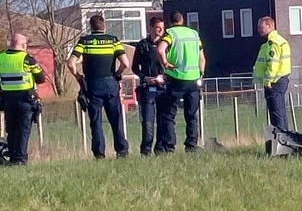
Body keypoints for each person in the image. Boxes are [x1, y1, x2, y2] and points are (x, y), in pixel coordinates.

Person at [67, 15, 130, 159]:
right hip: (110, 83)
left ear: (91, 27)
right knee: (116, 118)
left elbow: (71, 62)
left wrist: (78, 76)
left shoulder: (85, 41)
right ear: (104, 26)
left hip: (93, 84)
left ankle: (99, 153)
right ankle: (121, 151)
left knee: (95, 120)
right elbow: (125, 63)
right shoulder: (113, 40)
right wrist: (117, 75)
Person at [155, 10, 206, 153]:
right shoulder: (194, 34)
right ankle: (191, 145)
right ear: (182, 20)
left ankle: (169, 146)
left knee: (168, 113)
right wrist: (200, 75)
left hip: (176, 78)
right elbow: (202, 59)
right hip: (193, 79)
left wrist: (165, 63)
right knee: (191, 115)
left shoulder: (170, 33)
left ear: (171, 21)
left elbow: (160, 49)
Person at [0, 34, 46, 165]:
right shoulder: (27, 59)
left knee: (11, 129)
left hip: (7, 99)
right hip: (25, 99)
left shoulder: (1, 58)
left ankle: (13, 158)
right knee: (23, 130)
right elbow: (41, 78)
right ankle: (20, 160)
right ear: (23, 45)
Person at [132, 16, 166, 156]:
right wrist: (144, 78)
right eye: (158, 28)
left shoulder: (166, 45)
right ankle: (145, 151)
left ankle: (161, 149)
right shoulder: (142, 45)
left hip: (163, 88)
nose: (160, 31)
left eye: (162, 28)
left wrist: (164, 77)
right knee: (148, 121)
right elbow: (134, 67)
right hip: (148, 88)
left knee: (163, 120)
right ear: (151, 27)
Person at [253, 15, 292, 130]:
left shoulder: (273, 43)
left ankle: (281, 140)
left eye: (261, 27)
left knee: (276, 113)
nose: (258, 29)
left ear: (269, 26)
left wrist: (268, 81)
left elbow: (273, 64)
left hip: (274, 82)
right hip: (279, 80)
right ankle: (284, 137)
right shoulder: (277, 41)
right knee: (280, 112)